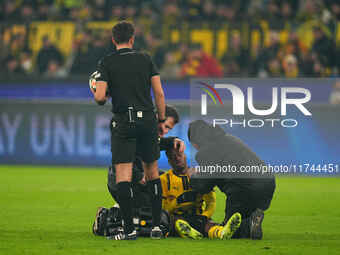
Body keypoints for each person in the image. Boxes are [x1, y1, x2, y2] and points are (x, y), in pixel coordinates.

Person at [90, 21, 166, 240]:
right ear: (132, 39)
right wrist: (161, 119)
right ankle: (156, 228)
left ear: (114, 40)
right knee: (152, 173)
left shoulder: (107, 62)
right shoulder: (145, 59)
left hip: (125, 122)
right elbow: (159, 93)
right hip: (148, 121)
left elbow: (100, 98)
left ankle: (129, 229)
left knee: (123, 176)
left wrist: (96, 88)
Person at [188, 120, 276, 240]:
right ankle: (252, 216)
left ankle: (248, 222)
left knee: (230, 231)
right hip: (268, 184)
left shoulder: (205, 152)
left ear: (194, 142)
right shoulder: (229, 138)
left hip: (243, 191)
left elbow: (204, 185)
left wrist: (192, 176)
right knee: (238, 219)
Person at [160, 148, 242, 240]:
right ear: (169, 161)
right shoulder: (164, 179)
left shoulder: (198, 174)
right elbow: (163, 210)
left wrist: (205, 216)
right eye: (173, 157)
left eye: (179, 155)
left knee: (208, 225)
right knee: (177, 222)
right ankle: (187, 230)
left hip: (198, 217)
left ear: (185, 156)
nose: (177, 159)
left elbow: (211, 201)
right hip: (177, 216)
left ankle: (221, 233)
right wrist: (178, 201)